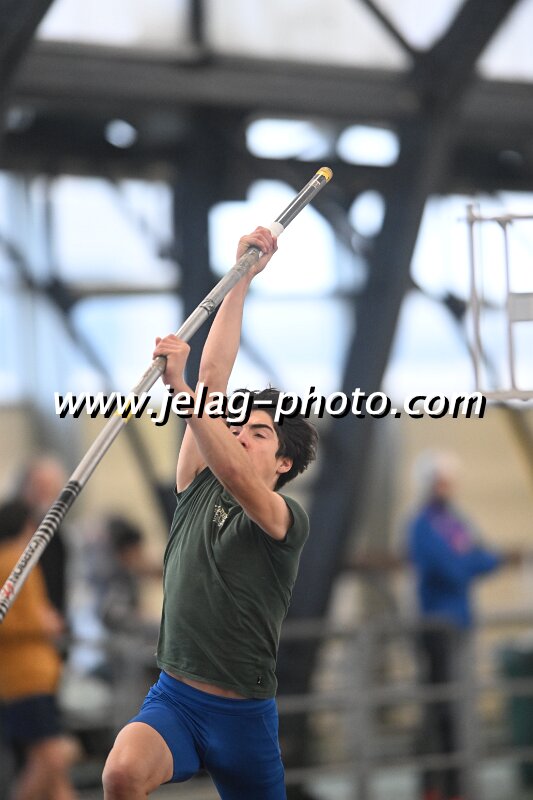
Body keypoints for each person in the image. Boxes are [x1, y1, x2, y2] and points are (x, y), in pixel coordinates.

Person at [102, 227, 318, 800]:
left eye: (260, 433)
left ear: (285, 462)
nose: (242, 434)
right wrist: (241, 276)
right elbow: (213, 380)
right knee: (121, 774)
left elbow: (240, 477)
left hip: (244, 717)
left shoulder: (284, 519)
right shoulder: (196, 482)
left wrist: (179, 388)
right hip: (176, 699)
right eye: (238, 427)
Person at [407, 450, 517, 800]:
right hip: (437, 630)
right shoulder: (422, 525)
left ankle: (455, 787)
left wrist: (471, 560)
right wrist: (470, 560)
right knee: (439, 710)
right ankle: (434, 787)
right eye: (441, 481)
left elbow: (484, 557)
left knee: (457, 710)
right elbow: (454, 568)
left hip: (460, 627)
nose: (446, 487)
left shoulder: (454, 521)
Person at [0, 498, 78, 800]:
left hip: (32, 676)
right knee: (51, 759)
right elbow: (13, 618)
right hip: (25, 679)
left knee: (56, 777)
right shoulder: (14, 559)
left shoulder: (15, 558)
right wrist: (46, 623)